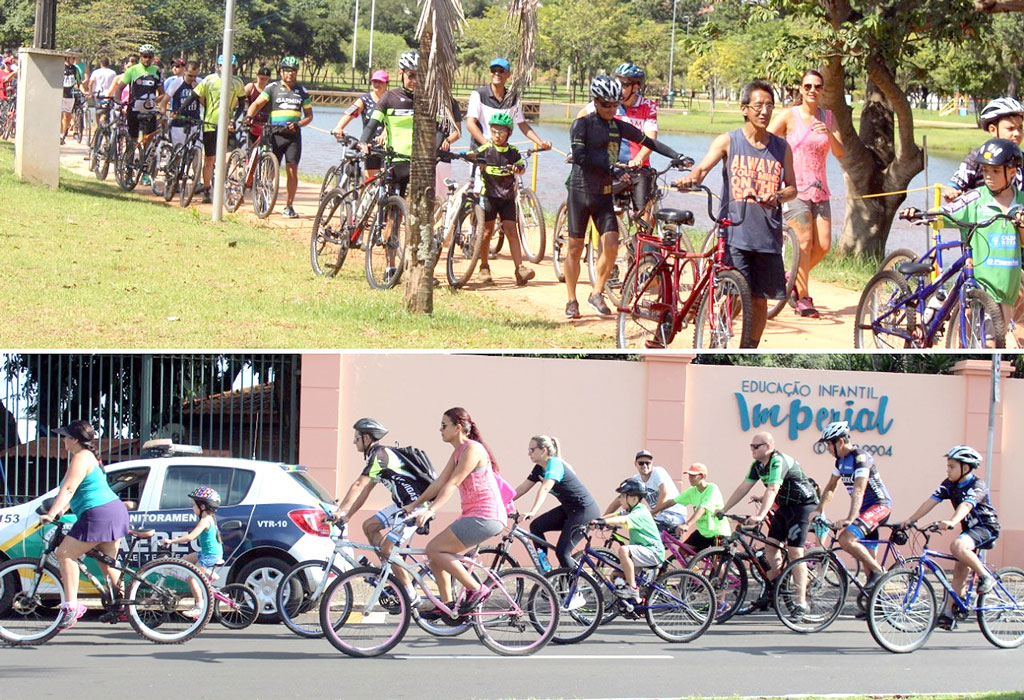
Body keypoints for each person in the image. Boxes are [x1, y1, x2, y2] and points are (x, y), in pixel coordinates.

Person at [675, 79, 797, 346]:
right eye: (758, 106)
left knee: (759, 300)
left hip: (767, 235)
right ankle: (717, 340)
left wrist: (777, 195)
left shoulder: (781, 147)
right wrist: (690, 179)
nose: (764, 112)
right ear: (744, 109)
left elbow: (793, 189)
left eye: (769, 106)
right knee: (735, 293)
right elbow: (702, 169)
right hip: (735, 233)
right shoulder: (728, 141)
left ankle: (749, 348)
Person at [565, 74, 682, 319]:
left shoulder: (617, 126)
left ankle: (596, 293)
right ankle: (571, 299)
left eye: (615, 104)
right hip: (580, 191)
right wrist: (614, 166)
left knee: (611, 245)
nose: (611, 109)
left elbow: (647, 140)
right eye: (605, 104)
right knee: (575, 247)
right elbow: (579, 156)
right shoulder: (583, 124)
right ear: (595, 102)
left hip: (604, 192)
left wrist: (677, 156)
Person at [404, 408, 507, 618]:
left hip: (486, 515)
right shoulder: (458, 452)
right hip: (474, 514)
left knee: (434, 549)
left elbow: (452, 483)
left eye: (444, 425)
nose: (440, 429)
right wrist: (415, 504)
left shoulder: (473, 450)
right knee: (435, 554)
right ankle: (448, 604)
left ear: (458, 427)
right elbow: (439, 483)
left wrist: (431, 509)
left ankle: (477, 589)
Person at [893, 445, 1000, 631]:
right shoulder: (949, 484)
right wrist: (911, 520)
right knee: (959, 571)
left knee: (957, 546)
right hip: (969, 531)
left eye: (952, 466)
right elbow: (930, 501)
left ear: (965, 468)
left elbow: (966, 505)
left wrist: (952, 521)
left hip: (986, 528)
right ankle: (949, 615)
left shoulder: (977, 485)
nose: (947, 470)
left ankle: (986, 577)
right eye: (947, 466)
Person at [39, 420, 130, 631]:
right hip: (111, 510)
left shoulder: (81, 458)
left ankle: (71, 607)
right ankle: (123, 606)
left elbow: (69, 488)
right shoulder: (89, 458)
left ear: (74, 440)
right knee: (108, 563)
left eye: (66, 437)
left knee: (65, 554)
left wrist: (51, 514)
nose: (63, 440)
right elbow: (77, 491)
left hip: (98, 513)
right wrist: (61, 510)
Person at [767, 69, 844, 318]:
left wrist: (829, 134)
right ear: (801, 89)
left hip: (821, 190)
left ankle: (790, 279)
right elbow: (765, 138)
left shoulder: (829, 117)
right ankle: (804, 298)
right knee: (804, 244)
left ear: (823, 90)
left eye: (818, 86)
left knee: (822, 245)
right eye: (808, 86)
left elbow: (841, 152)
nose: (812, 90)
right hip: (795, 189)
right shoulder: (790, 116)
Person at [332, 418, 431, 604]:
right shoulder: (375, 456)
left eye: (356, 438)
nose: (354, 442)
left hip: (415, 506)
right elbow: (366, 490)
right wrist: (347, 516)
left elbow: (358, 484)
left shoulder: (380, 455)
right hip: (401, 505)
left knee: (387, 547)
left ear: (367, 438)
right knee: (369, 526)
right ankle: (389, 573)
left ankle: (411, 595)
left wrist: (339, 510)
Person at [718, 431, 819, 614]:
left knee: (795, 551)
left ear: (769, 447)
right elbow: (744, 487)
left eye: (756, 446)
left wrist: (760, 515)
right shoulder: (757, 465)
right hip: (785, 507)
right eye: (751, 446)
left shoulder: (778, 461)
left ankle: (801, 601)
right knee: (771, 548)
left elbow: (772, 488)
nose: (752, 449)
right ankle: (775, 589)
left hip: (803, 506)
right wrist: (724, 509)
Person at [939, 138, 1024, 339]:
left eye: (995, 171)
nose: (988, 176)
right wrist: (922, 214)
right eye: (985, 171)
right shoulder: (976, 198)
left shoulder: (1021, 202)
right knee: (987, 338)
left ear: (1011, 172)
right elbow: (947, 212)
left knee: (999, 335)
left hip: (1006, 285)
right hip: (980, 279)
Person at [811, 421, 891, 590]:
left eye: (829, 444)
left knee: (846, 539)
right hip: (864, 511)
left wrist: (850, 519)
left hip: (879, 507)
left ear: (840, 442)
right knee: (868, 564)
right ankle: (875, 607)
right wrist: (819, 510)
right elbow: (831, 487)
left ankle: (880, 573)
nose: (827, 449)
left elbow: (859, 490)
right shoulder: (840, 461)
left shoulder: (861, 457)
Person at [578, 62, 660, 221]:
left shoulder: (648, 107)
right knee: (608, 214)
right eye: (617, 82)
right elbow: (581, 117)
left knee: (644, 216)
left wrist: (638, 159)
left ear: (635, 87)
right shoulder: (608, 101)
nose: (618, 87)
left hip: (638, 168)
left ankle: (640, 244)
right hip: (611, 166)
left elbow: (651, 138)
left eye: (623, 84)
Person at [462, 112, 536, 286]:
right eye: (494, 131)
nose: (497, 135)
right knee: (486, 232)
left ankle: (520, 269)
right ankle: (484, 267)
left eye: (501, 131)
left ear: (509, 133)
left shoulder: (513, 152)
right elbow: (473, 155)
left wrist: (518, 169)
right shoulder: (486, 149)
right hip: (490, 197)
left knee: (512, 231)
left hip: (507, 198)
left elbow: (521, 166)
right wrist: (470, 157)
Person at [512, 434, 599, 568]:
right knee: (536, 527)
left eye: (532, 450)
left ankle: (572, 588)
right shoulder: (539, 468)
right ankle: (546, 570)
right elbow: (522, 488)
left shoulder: (554, 464)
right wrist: (503, 502)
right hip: (569, 509)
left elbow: (545, 487)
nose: (529, 453)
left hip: (584, 511)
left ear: (543, 450)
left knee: (562, 552)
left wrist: (532, 511)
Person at [245, 56, 311, 218]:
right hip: (274, 134)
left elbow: (309, 116)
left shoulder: (302, 91)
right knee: (270, 169)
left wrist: (298, 124)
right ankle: (264, 197)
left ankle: (289, 206)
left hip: (293, 136)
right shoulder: (272, 88)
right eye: (287, 70)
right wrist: (249, 116)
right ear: (281, 72)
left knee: (292, 170)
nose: (290, 74)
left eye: (293, 71)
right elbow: (257, 104)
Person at [182, 54, 245, 203]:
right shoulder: (209, 80)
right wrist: (179, 110)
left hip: (227, 125)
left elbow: (242, 103)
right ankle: (206, 189)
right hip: (210, 124)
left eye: (231, 66)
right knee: (209, 159)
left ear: (234, 67)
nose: (227, 69)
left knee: (229, 157)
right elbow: (194, 95)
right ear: (218, 66)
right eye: (223, 65)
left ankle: (232, 188)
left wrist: (235, 119)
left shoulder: (237, 82)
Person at [591, 476, 665, 600]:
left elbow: (623, 519)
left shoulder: (639, 512)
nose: (620, 500)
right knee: (616, 576)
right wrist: (598, 521)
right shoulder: (631, 510)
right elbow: (615, 515)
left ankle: (633, 589)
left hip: (653, 552)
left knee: (624, 550)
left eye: (622, 496)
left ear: (634, 498)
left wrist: (603, 522)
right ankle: (636, 602)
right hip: (643, 551)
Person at [944, 97, 1024, 202]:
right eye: (1010, 129)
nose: (1017, 134)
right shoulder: (977, 157)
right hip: (982, 215)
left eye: (1020, 128)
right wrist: (951, 192)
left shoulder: (1021, 159)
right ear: (993, 130)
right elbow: (955, 185)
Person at [163, 486, 223, 618]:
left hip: (210, 556)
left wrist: (172, 541)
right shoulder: (210, 517)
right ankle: (207, 575)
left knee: (192, 578)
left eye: (194, 505)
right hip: (206, 553)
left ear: (202, 507)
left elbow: (191, 537)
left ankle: (199, 606)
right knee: (183, 560)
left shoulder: (204, 520)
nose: (192, 508)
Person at [652, 462, 730, 554]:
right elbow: (672, 501)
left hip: (717, 532)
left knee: (717, 564)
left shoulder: (712, 488)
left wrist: (687, 524)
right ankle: (693, 569)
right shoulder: (692, 491)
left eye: (693, 476)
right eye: (689, 476)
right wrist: (653, 512)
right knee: (683, 550)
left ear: (702, 476)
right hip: (703, 533)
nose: (690, 478)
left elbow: (702, 509)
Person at [604, 449, 688, 531]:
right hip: (659, 515)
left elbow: (664, 492)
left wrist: (652, 513)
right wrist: (602, 519)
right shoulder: (636, 480)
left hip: (674, 513)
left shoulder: (658, 472)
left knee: (649, 536)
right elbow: (620, 499)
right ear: (635, 464)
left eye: (648, 463)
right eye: (641, 463)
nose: (645, 465)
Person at [330, 69, 389, 178]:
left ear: (387, 84)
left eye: (380, 82)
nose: (377, 84)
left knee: (384, 178)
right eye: (374, 81)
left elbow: (393, 120)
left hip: (386, 144)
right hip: (369, 144)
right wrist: (339, 127)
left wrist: (385, 134)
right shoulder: (365, 99)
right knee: (371, 180)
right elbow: (350, 113)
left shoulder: (390, 99)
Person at [108, 44, 163, 149]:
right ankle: (129, 161)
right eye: (145, 56)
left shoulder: (156, 72)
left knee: (149, 138)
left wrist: (154, 101)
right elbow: (119, 88)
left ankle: (145, 162)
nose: (147, 59)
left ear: (153, 57)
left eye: (150, 56)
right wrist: (118, 101)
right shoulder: (132, 70)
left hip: (149, 110)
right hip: (133, 109)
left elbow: (162, 93)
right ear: (140, 56)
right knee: (132, 139)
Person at [160, 60, 201, 146]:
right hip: (178, 122)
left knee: (195, 150)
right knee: (178, 152)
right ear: (185, 71)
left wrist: (198, 91)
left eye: (195, 76)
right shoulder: (176, 83)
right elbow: (164, 101)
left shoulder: (200, 82)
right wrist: (163, 115)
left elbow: (205, 103)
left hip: (194, 121)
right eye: (190, 76)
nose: (193, 79)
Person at [244, 66, 272, 145]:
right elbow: (239, 99)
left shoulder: (269, 90)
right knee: (252, 149)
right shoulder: (251, 87)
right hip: (252, 121)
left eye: (266, 79)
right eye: (261, 78)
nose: (263, 81)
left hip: (265, 121)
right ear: (257, 77)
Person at [60, 54, 84, 144]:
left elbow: (79, 82)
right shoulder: (60, 67)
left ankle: (62, 135)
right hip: (60, 94)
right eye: (71, 58)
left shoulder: (75, 69)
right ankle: (59, 134)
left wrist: (84, 91)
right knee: (59, 116)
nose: (73, 60)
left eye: (74, 58)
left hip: (69, 95)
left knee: (67, 116)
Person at [86, 57, 117, 127]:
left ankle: (98, 127)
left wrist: (90, 93)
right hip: (109, 95)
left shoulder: (96, 72)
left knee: (97, 111)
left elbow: (91, 83)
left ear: (101, 64)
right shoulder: (113, 73)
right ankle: (105, 125)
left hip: (98, 94)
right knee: (107, 111)